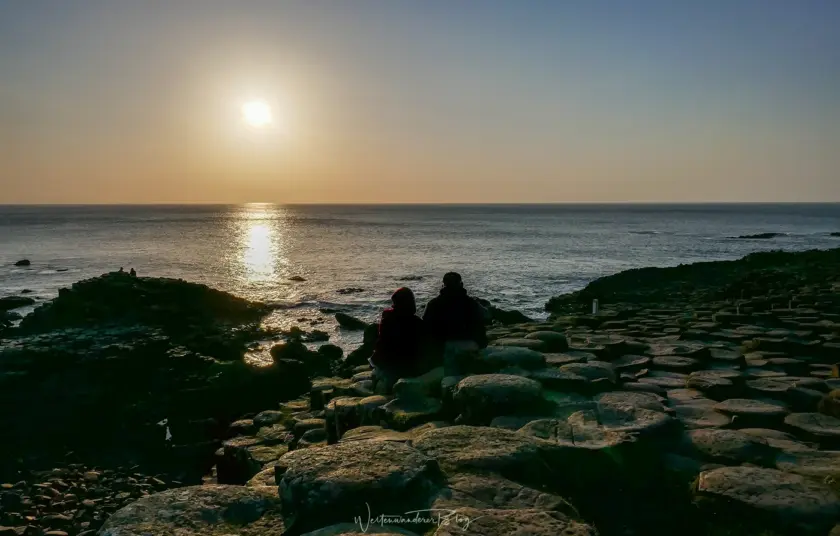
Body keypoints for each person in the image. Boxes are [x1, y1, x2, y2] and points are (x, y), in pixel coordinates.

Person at [423, 272, 488, 375]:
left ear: (443, 285)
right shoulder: (471, 303)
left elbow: (426, 328)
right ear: (461, 285)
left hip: (442, 348)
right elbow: (480, 324)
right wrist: (481, 343)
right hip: (469, 346)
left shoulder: (433, 304)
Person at [369, 287, 427, 392]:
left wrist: (375, 357)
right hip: (411, 367)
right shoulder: (418, 322)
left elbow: (382, 343)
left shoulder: (388, 318)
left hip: (390, 365)